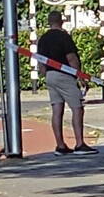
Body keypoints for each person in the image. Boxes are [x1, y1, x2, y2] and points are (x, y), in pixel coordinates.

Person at [37, 11, 98, 156]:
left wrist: (45, 74)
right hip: (65, 75)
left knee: (57, 109)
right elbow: (71, 58)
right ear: (61, 21)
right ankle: (80, 144)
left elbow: (40, 61)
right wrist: (80, 76)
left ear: (49, 22)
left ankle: (60, 145)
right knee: (77, 108)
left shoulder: (43, 39)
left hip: (50, 75)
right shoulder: (64, 37)